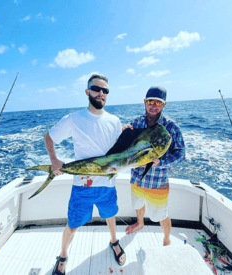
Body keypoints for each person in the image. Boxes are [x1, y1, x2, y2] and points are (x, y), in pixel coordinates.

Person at [45, 74, 126, 275]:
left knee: (111, 216)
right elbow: (49, 137)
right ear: (87, 91)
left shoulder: (115, 120)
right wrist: (55, 161)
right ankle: (63, 255)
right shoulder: (74, 119)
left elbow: (117, 147)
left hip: (107, 183)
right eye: (96, 89)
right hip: (83, 186)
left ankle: (114, 242)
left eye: (105, 90)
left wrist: (126, 131)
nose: (101, 93)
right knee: (73, 225)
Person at [123, 86, 185, 246]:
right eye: (151, 101)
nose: (154, 105)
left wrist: (161, 162)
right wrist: (121, 131)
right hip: (136, 179)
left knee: (160, 215)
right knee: (137, 204)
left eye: (158, 102)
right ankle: (140, 222)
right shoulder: (135, 123)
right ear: (145, 102)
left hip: (157, 182)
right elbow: (123, 146)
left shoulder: (172, 127)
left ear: (164, 105)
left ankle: (166, 239)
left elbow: (180, 154)